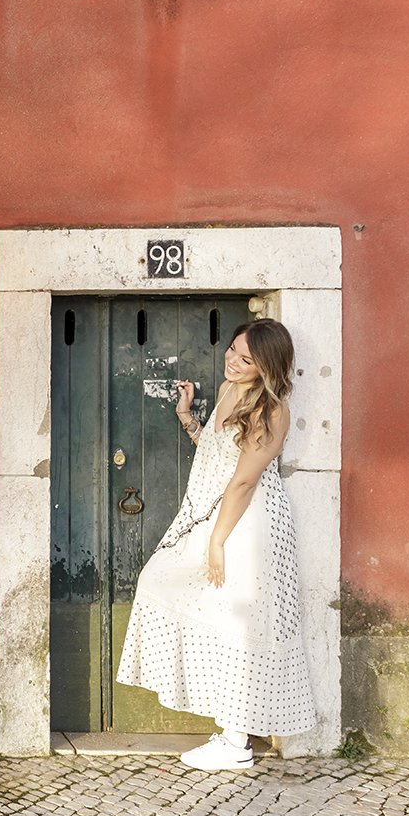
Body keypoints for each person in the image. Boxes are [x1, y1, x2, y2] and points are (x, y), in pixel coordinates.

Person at [115, 318, 316, 771]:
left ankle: (236, 740)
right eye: (233, 351)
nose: (234, 361)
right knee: (159, 583)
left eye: (247, 360)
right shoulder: (228, 391)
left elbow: (244, 480)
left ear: (268, 367)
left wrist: (217, 542)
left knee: (239, 623)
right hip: (216, 515)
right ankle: (229, 731)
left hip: (248, 523)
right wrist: (187, 417)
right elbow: (215, 452)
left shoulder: (272, 412)